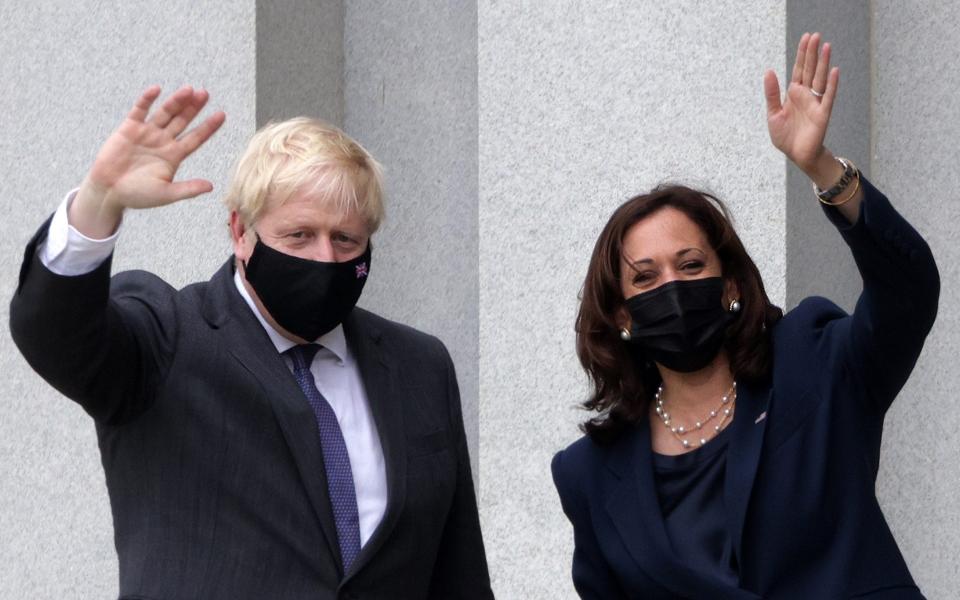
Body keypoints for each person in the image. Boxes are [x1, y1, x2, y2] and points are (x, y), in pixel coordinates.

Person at [9, 85, 492, 599]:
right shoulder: (167, 337)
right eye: (299, 235)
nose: (325, 259)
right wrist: (98, 204)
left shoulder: (420, 365)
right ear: (241, 232)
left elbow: (456, 570)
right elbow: (57, 335)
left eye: (345, 240)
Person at [551, 32, 939, 598]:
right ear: (621, 316)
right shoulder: (588, 474)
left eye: (690, 265)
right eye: (645, 277)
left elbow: (908, 292)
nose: (672, 287)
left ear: (730, 283)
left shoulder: (813, 362)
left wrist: (825, 170)